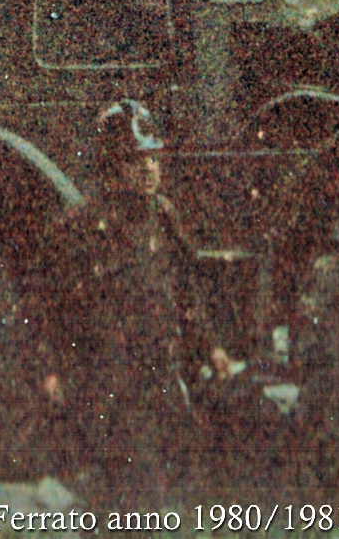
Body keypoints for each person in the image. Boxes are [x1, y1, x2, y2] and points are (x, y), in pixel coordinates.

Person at [41, 99, 234, 491]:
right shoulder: (79, 227)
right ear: (113, 166)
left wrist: (211, 346)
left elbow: (184, 291)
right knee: (126, 491)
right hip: (107, 383)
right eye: (136, 159)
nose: (149, 169)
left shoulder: (161, 216)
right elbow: (48, 307)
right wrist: (50, 370)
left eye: (153, 158)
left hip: (159, 374)